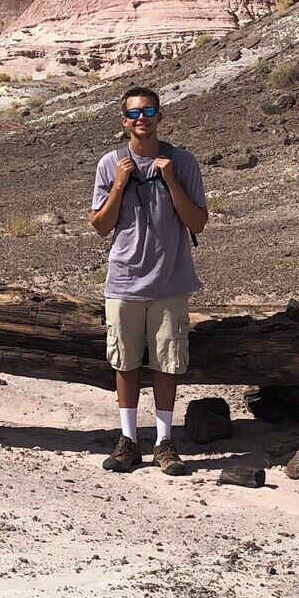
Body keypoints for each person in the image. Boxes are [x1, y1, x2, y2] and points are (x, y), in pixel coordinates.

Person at [87, 85, 209, 472]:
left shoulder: (182, 162)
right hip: (124, 281)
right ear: (124, 121)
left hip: (170, 281)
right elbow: (100, 226)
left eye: (149, 112)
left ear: (160, 117)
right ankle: (127, 440)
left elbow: (198, 222)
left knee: (166, 363)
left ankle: (164, 441)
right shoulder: (110, 164)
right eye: (135, 114)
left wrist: (171, 180)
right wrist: (121, 185)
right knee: (124, 362)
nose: (143, 119)